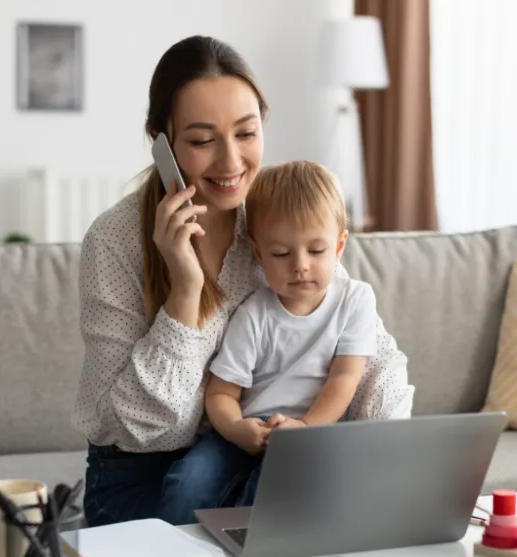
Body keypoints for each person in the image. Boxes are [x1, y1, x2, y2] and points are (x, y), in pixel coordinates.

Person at [72, 35, 414, 528]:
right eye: (202, 140)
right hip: (137, 477)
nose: (231, 163)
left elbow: (370, 356)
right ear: (161, 141)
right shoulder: (114, 241)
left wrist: (380, 453)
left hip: (256, 458)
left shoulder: (276, 218)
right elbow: (141, 430)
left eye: (246, 133)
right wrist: (185, 290)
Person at [160, 160, 378, 525]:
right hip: (251, 429)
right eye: (281, 253)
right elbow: (221, 394)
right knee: (187, 482)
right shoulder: (254, 314)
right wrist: (235, 429)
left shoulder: (355, 300)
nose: (300, 265)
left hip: (316, 431)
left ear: (339, 246)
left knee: (275, 487)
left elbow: (345, 379)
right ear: (259, 254)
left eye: (316, 251)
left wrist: (306, 429)